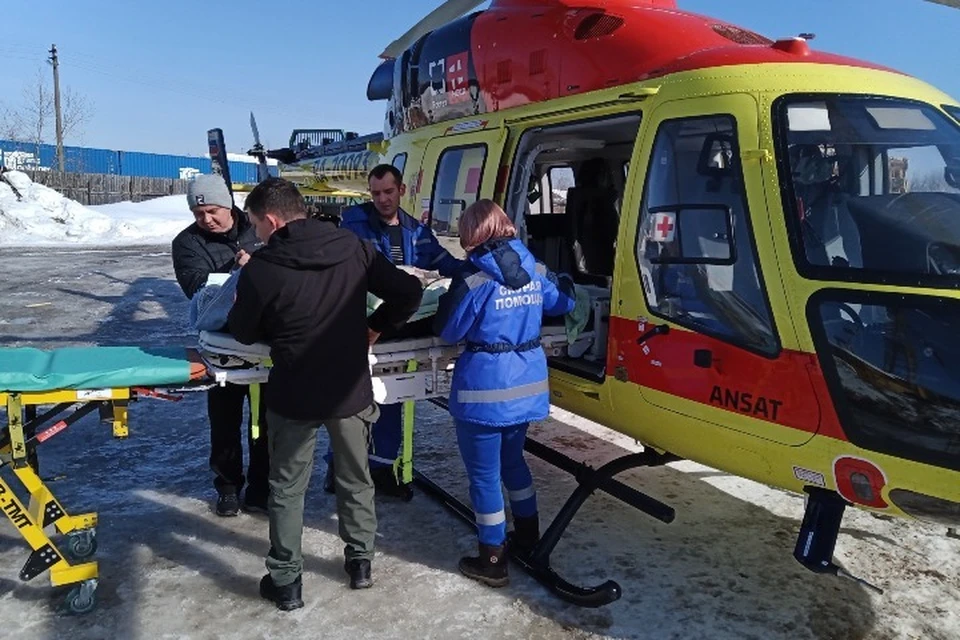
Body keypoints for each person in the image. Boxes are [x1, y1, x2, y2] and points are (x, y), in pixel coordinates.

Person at [227, 177, 422, 609]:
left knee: (286, 489)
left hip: (294, 393)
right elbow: (409, 291)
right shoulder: (353, 246)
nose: (256, 233)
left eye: (257, 224)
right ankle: (361, 563)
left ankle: (287, 582)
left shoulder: (262, 267)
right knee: (355, 478)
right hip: (349, 390)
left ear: (272, 220)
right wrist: (375, 325)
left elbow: (243, 331)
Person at [433, 199, 576, 588]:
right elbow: (563, 301)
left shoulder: (475, 280)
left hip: (483, 393)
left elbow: (449, 331)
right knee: (514, 463)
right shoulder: (535, 268)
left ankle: (492, 559)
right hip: (525, 388)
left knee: (484, 477)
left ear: (472, 235)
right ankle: (528, 536)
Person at [327, 163, 463, 497]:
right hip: (359, 325)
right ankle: (337, 468)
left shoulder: (416, 232)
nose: (382, 199)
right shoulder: (354, 224)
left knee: (391, 397)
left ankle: (383, 469)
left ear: (402, 191)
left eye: (388, 192)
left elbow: (446, 264)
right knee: (348, 401)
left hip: (395, 326)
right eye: (375, 193)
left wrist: (482, 270)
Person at [172, 173, 270, 517]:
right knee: (224, 420)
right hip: (221, 344)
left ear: (227, 204)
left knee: (266, 419)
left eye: (212, 211)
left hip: (264, 339)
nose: (206, 219)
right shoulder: (187, 244)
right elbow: (198, 289)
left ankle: (262, 486)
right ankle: (228, 486)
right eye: (199, 214)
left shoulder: (257, 224)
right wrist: (241, 273)